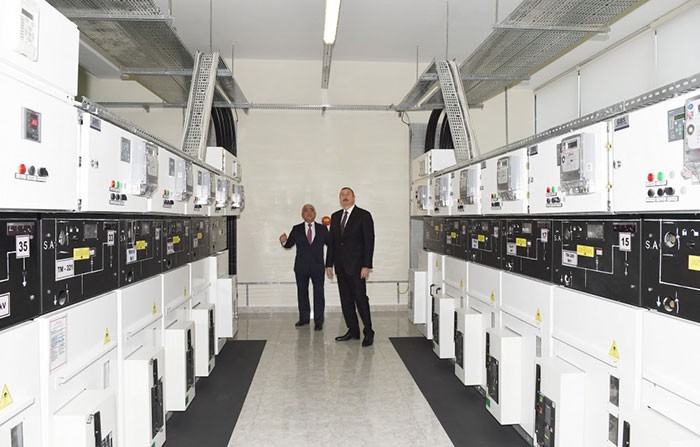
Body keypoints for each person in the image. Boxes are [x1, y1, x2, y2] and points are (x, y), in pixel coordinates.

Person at [325, 187, 375, 347]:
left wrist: (366, 265)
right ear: (339, 199)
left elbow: (369, 241)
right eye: (342, 195)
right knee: (346, 300)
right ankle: (353, 330)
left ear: (354, 198)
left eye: (348, 194)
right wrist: (329, 264)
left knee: (360, 299)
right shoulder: (335, 216)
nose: (344, 197)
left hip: (357, 267)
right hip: (340, 267)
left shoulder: (364, 215)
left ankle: (369, 331)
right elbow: (332, 243)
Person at [280, 204, 328, 330]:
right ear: (302, 215)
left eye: (311, 210)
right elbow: (289, 245)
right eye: (306, 211)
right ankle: (304, 319)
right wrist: (283, 241)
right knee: (302, 293)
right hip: (301, 267)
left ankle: (319, 321)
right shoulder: (296, 229)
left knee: (319, 294)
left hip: (318, 267)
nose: (309, 213)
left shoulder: (323, 229)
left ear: (315, 213)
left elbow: (331, 245)